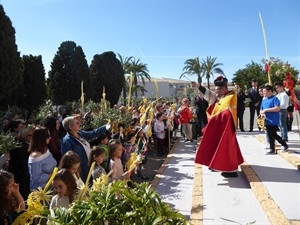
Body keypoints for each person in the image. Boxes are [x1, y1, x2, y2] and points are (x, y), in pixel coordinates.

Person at [192, 76, 244, 177]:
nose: (215, 93)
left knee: (226, 148)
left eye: (218, 90)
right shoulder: (219, 97)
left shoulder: (231, 97)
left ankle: (231, 170)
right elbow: (209, 94)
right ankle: (216, 164)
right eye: (215, 90)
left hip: (227, 129)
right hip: (218, 128)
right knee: (215, 145)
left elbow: (227, 114)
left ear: (224, 89)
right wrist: (198, 86)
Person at [61, 116, 110, 182]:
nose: (79, 124)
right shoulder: (67, 141)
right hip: (82, 170)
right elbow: (67, 159)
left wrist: (105, 127)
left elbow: (92, 134)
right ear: (70, 127)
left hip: (89, 166)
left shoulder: (80, 133)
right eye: (77, 123)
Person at [260, 85, 289, 154]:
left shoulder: (275, 99)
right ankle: (272, 149)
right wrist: (261, 113)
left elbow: (277, 108)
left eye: (265, 92)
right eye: (263, 92)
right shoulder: (264, 99)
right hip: (266, 120)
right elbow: (261, 109)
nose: (264, 93)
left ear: (270, 91)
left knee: (273, 134)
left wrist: (266, 110)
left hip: (273, 120)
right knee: (270, 135)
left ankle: (284, 144)